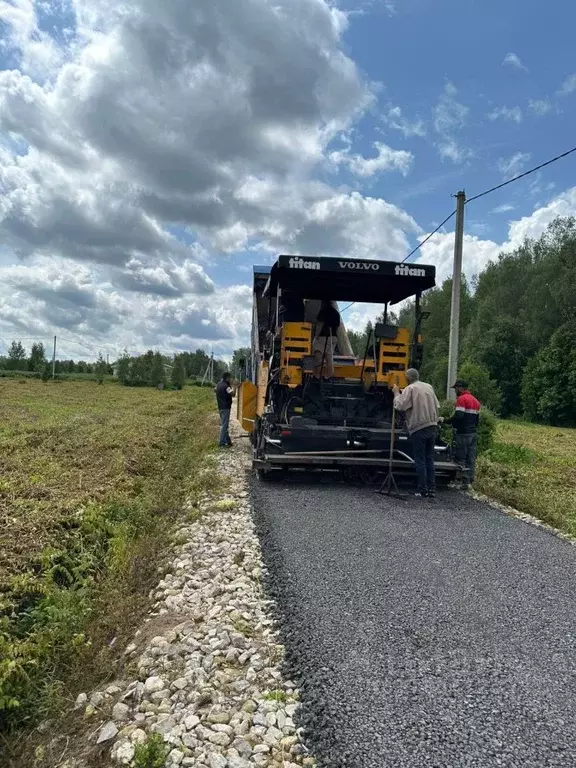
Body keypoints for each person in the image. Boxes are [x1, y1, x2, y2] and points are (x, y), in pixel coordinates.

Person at [392, 368, 440, 498]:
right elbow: (437, 405)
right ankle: (432, 489)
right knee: (429, 459)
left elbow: (400, 406)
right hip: (432, 426)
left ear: (408, 378)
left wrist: (396, 393)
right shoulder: (429, 387)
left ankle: (422, 489)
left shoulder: (410, 389)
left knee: (420, 460)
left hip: (419, 427)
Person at [444, 379, 481, 489]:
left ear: (460, 388)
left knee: (460, 457)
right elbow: (477, 419)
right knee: (471, 457)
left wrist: (447, 421)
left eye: (455, 388)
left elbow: (459, 415)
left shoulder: (461, 399)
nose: (455, 390)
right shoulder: (475, 400)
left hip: (463, 433)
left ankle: (461, 481)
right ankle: (469, 481)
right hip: (473, 433)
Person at [313, 300, 341, 379]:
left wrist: (316, 336)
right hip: (333, 337)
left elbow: (320, 324)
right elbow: (337, 328)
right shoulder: (336, 313)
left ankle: (317, 376)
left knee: (318, 357)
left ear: (324, 303)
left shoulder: (323, 310)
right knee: (329, 358)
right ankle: (328, 377)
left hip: (323, 336)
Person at [215, 372, 234, 448]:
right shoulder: (226, 387)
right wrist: (235, 387)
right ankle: (221, 443)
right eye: (230, 378)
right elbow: (233, 394)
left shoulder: (218, 385)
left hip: (220, 407)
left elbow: (215, 390)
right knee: (224, 426)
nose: (231, 379)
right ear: (227, 378)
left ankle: (228, 441)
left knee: (224, 425)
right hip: (226, 408)